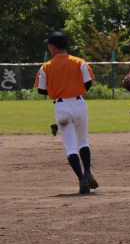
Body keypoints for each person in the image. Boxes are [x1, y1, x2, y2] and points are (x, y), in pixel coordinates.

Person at [35, 31, 98, 194]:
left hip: (61, 107)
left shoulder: (46, 67)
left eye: (49, 46)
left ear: (53, 47)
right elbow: (88, 83)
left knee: (70, 146)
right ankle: (88, 172)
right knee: (83, 141)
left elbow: (41, 90)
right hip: (79, 103)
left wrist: (56, 88)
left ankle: (81, 179)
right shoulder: (79, 62)